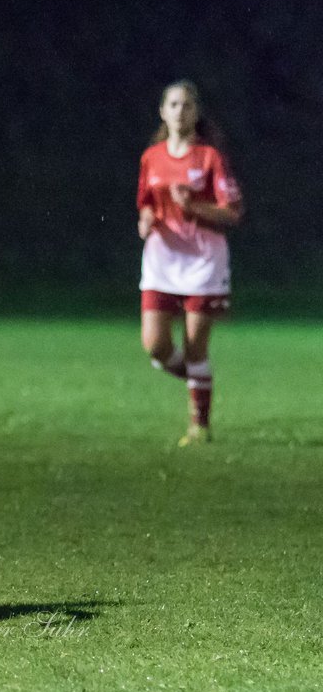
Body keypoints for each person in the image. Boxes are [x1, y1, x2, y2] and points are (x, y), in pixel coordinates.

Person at [137, 80, 243, 446]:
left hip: (202, 260)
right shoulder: (151, 157)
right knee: (155, 345)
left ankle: (199, 425)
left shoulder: (209, 157)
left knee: (196, 347)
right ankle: (201, 381)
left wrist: (192, 207)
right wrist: (146, 219)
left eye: (187, 105)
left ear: (196, 113)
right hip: (161, 258)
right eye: (174, 104)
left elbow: (232, 211)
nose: (180, 111)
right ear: (163, 112)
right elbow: (145, 202)